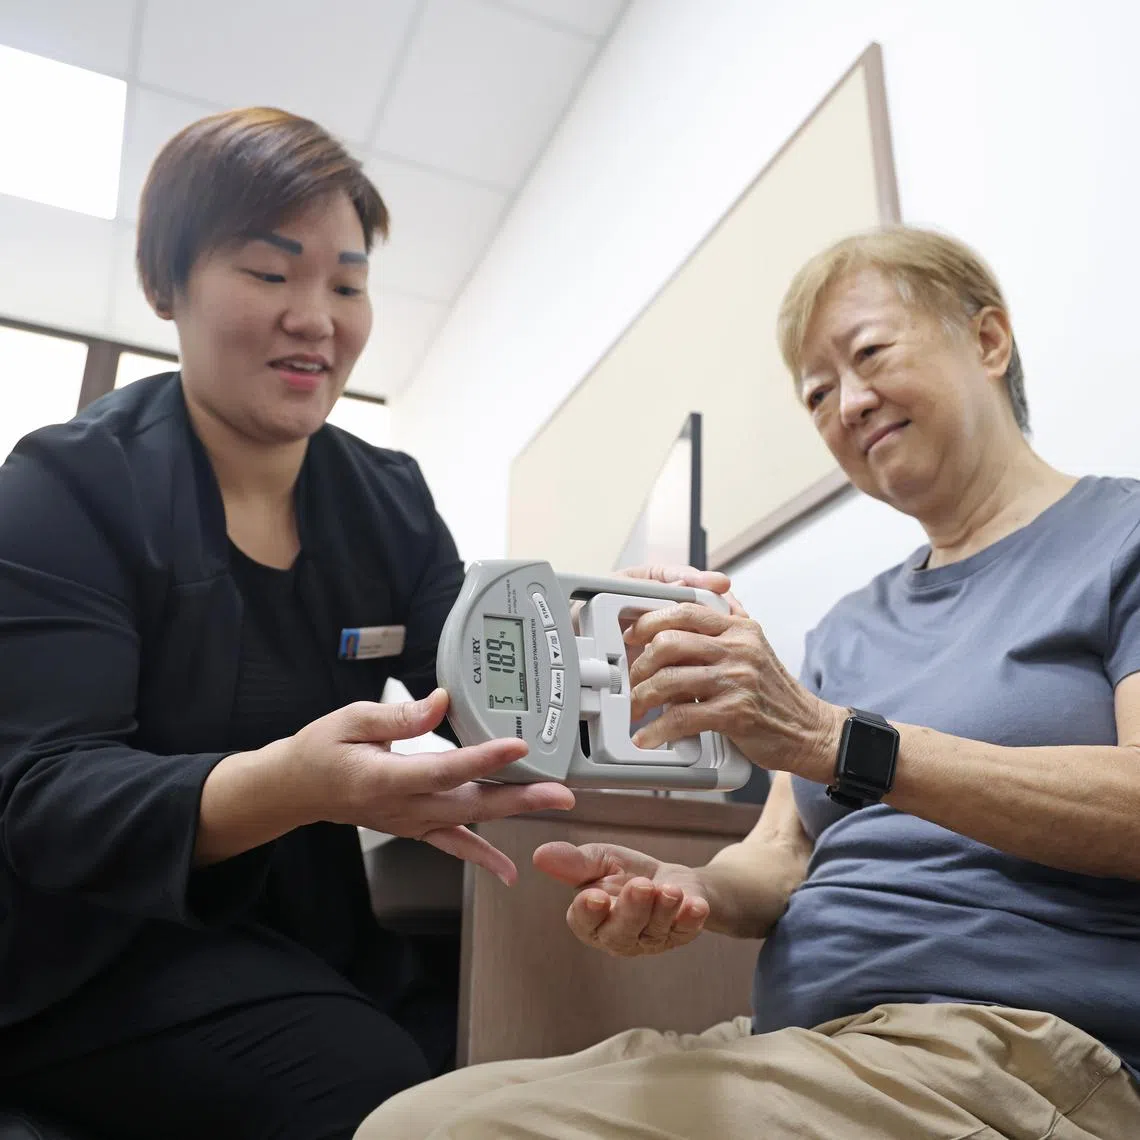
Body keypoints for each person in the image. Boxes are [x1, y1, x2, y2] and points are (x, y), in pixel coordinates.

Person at [356, 226, 1140, 1139]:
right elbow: (783, 858)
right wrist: (689, 887)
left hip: (1015, 1048)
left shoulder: (1119, 539)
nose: (848, 401)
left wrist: (836, 739)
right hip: (817, 1041)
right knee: (409, 1117)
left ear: (989, 341)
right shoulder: (850, 624)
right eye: (817, 393)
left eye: (871, 354)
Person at [0, 107, 585, 1139]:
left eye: (348, 285)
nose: (317, 316)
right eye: (271, 275)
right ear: (166, 285)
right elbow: (48, 791)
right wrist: (291, 783)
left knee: (507, 1055)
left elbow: (481, 691)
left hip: (303, 928)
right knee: (390, 1103)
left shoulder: (389, 499)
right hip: (98, 948)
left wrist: (598, 639)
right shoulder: (70, 484)